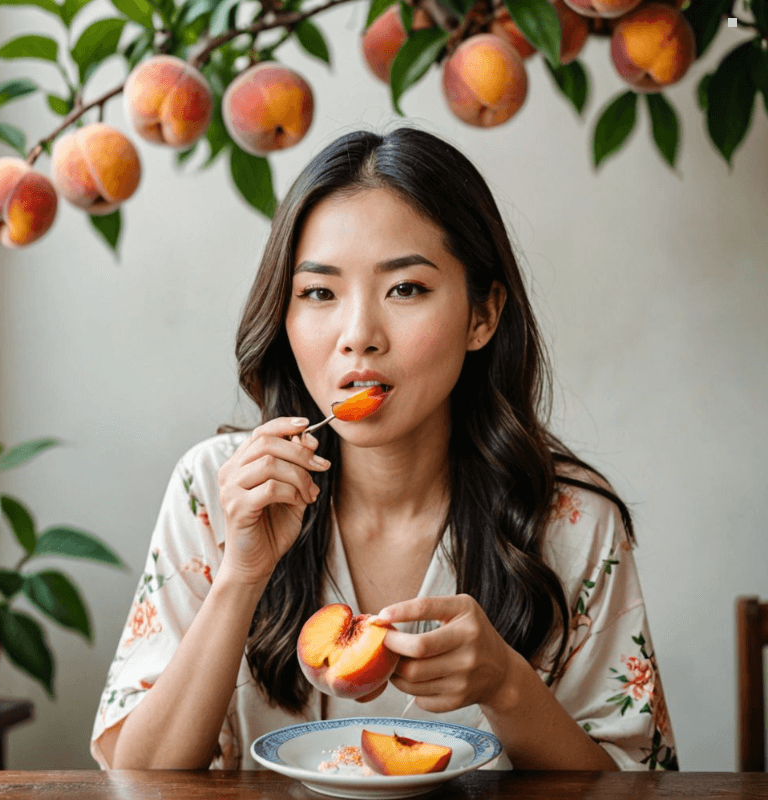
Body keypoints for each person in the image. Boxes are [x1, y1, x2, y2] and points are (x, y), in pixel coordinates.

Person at [90, 124, 678, 772]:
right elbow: (135, 777)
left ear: (482, 316)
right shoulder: (218, 491)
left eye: (406, 289)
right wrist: (240, 576)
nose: (359, 334)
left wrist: (507, 687)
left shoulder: (570, 519)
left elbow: (639, 784)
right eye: (319, 292)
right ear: (283, 318)